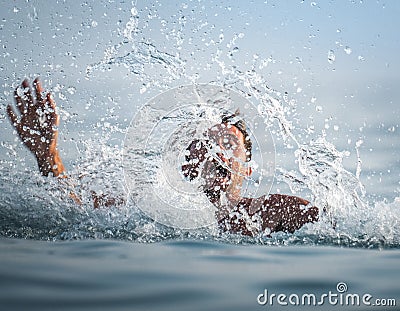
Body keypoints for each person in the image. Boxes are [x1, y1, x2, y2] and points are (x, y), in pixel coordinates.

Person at [7, 78, 318, 236]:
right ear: (185, 166)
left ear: (247, 169)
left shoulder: (272, 212)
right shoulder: (145, 211)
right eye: (203, 143)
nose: (216, 150)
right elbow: (69, 211)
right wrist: (49, 155)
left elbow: (338, 227)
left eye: (228, 142)